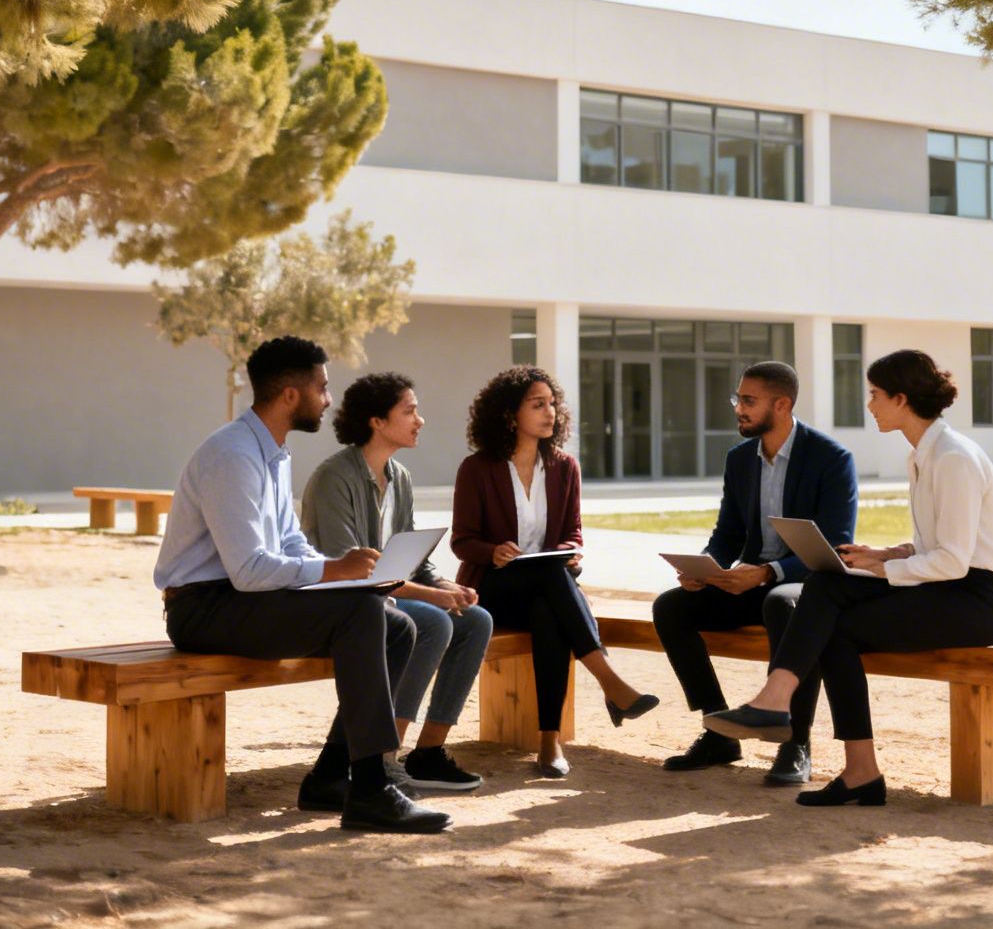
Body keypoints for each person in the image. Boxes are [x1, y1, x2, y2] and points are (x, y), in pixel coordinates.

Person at [153, 336, 452, 834]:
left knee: (394, 623)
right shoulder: (232, 455)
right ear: (291, 395)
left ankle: (331, 778)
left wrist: (352, 573)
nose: (329, 400)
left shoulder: (274, 452)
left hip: (244, 599)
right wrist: (336, 573)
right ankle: (372, 788)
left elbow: (291, 544)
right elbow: (248, 570)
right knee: (362, 612)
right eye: (323, 387)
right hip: (203, 608)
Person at [704, 348, 993, 808]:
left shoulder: (952, 458)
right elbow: (937, 544)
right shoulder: (926, 454)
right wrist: (882, 555)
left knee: (832, 610)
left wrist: (885, 568)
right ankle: (848, 761)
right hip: (948, 586)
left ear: (901, 398)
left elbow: (953, 561)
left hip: (978, 602)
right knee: (828, 587)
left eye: (875, 395)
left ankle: (791, 714)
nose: (869, 405)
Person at [652, 361, 857, 785]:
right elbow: (727, 532)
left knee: (784, 603)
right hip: (747, 581)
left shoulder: (832, 459)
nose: (738, 409)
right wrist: (706, 569)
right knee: (672, 607)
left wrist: (767, 573)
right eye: (738, 399)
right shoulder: (740, 459)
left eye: (748, 401)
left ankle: (795, 743)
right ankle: (717, 732)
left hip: (802, 585)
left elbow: (835, 547)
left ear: (781, 405)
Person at [450, 365, 659, 777]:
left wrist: (568, 553)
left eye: (553, 403)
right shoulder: (477, 468)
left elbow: (572, 534)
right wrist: (493, 551)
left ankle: (549, 740)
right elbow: (462, 540)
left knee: (550, 608)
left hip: (548, 589)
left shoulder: (564, 467)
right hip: (494, 589)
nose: (551, 412)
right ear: (510, 414)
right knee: (551, 582)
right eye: (538, 404)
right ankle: (609, 682)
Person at [302, 372, 493, 793]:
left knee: (475, 619)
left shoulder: (399, 477)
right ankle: (385, 756)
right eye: (409, 411)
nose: (420, 420)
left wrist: (447, 587)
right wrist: (432, 597)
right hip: (345, 605)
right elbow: (354, 572)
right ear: (377, 422)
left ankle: (427, 753)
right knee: (433, 621)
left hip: (387, 598)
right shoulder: (336, 478)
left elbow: (413, 561)